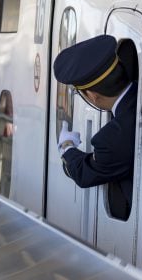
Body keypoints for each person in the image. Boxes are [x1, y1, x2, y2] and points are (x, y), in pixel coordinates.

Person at [53, 34, 137, 220]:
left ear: (92, 95)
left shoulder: (110, 140)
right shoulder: (140, 93)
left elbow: (84, 173)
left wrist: (67, 147)